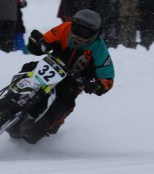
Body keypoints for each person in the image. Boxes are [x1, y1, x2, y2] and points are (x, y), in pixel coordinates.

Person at [7, 9, 115, 144]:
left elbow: (107, 78)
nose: (78, 35)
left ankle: (43, 126)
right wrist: (37, 44)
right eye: (76, 28)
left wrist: (97, 86)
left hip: (73, 80)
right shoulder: (64, 28)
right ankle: (9, 97)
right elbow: (44, 43)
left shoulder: (100, 50)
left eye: (85, 32)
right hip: (51, 66)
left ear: (94, 34)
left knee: (66, 102)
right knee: (28, 68)